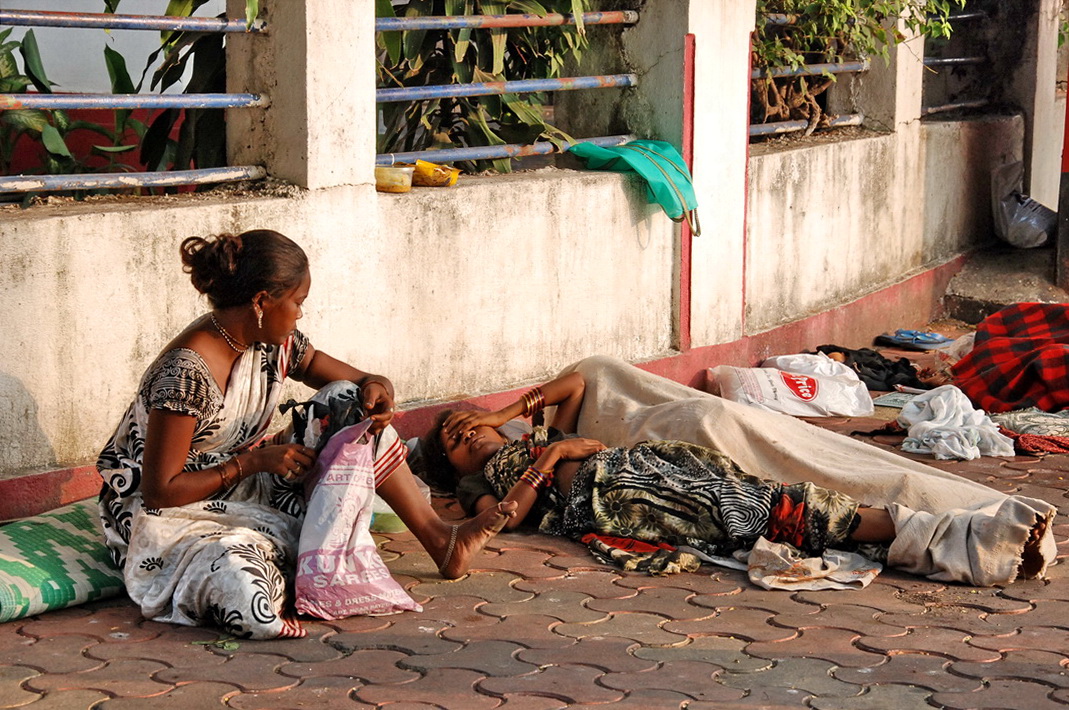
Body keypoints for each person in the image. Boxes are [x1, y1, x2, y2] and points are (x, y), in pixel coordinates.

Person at [96, 230, 515, 640]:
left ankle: (442, 539)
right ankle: (302, 566)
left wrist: (377, 389)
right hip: (168, 516)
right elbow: (159, 492)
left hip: (242, 482)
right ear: (261, 302)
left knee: (348, 403)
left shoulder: (272, 342)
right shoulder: (186, 375)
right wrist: (252, 462)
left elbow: (358, 381)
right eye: (297, 302)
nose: (300, 314)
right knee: (244, 589)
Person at [421, 360, 1053, 585]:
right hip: (615, 503)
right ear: (449, 469)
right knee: (764, 515)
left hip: (644, 468)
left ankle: (944, 538)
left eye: (461, 419)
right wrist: (550, 461)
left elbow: (582, 379)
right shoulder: (483, 485)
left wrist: (503, 414)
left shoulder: (528, 430)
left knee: (766, 500)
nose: (460, 430)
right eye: (449, 438)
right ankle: (946, 541)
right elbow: (501, 523)